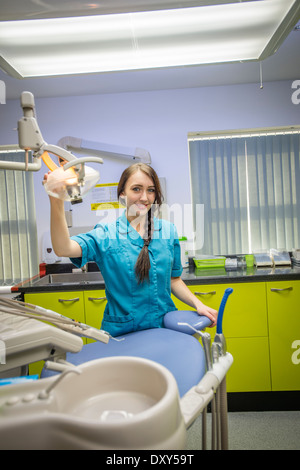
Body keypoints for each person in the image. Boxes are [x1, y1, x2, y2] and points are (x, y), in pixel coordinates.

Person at [45, 163, 217, 337]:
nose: (144, 197)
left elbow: (174, 280)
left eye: (151, 190)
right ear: (122, 194)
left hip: (164, 329)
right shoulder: (106, 234)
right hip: (123, 334)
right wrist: (56, 200)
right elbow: (63, 248)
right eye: (136, 189)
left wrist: (198, 304)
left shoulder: (168, 231)